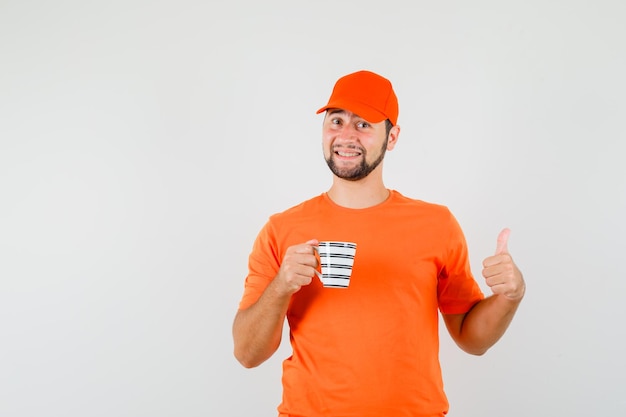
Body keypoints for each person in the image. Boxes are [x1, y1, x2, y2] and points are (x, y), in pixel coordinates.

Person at [232, 70, 525, 417]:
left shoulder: (436, 224)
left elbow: (471, 339)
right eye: (336, 120)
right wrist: (282, 285)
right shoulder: (281, 229)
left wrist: (510, 296)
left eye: (363, 125)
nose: (345, 135)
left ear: (393, 136)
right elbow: (247, 354)